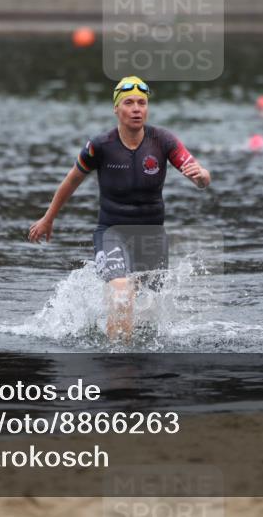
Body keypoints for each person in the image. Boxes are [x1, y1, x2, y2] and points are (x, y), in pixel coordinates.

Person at [28, 75, 211, 342]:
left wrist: (202, 177)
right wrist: (48, 218)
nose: (137, 108)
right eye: (129, 102)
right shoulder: (100, 146)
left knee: (147, 314)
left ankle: (126, 346)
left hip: (152, 237)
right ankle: (119, 363)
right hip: (111, 231)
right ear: (116, 108)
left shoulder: (163, 141)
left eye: (142, 102)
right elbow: (71, 181)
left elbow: (199, 175)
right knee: (122, 291)